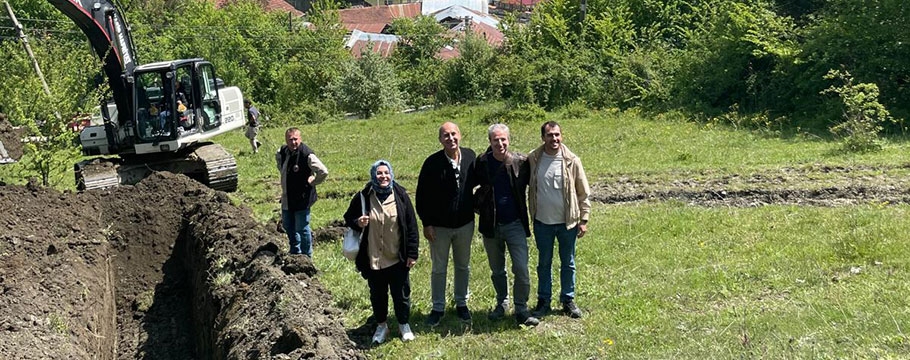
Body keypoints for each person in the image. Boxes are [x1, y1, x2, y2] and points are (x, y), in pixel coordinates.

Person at [344, 160, 419, 344]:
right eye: (379, 173)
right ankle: (382, 326)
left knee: (401, 294)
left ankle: (403, 325)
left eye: (386, 173)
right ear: (373, 176)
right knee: (377, 295)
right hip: (373, 259)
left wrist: (412, 253)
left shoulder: (400, 195)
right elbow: (348, 218)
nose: (383, 177)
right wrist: (358, 222)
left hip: (396, 257)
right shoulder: (363, 196)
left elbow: (411, 225)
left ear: (391, 174)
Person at [474, 123, 539, 327]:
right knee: (497, 270)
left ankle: (521, 308)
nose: (500, 143)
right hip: (490, 226)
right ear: (490, 142)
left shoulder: (521, 161)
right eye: (495, 140)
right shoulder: (482, 162)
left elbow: (537, 184)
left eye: (503, 139)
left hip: (515, 224)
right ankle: (501, 303)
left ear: (508, 140)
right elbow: (470, 186)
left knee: (521, 268)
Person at [416, 122, 477, 326]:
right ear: (440, 140)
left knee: (463, 265)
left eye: (453, 134)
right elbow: (421, 196)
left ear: (460, 135)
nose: (450, 138)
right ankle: (438, 307)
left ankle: (461, 304)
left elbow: (478, 183)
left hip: (465, 224)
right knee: (439, 268)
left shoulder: (470, 157)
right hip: (439, 227)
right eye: (445, 136)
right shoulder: (432, 163)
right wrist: (427, 224)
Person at [528, 121, 591, 319]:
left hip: (568, 223)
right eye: (549, 135)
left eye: (557, 135)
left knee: (568, 262)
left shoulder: (572, 160)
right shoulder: (534, 158)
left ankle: (568, 300)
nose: (554, 139)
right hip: (542, 222)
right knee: (544, 263)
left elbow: (583, 192)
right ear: (543, 138)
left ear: (561, 136)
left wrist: (584, 219)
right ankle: (543, 300)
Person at [276, 127, 329, 256]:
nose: (293, 142)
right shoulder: (282, 152)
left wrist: (313, 181)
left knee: (302, 228)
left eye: (295, 139)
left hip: (302, 198)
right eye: (290, 139)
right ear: (286, 140)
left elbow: (323, 171)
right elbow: (279, 162)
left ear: (300, 139)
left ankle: (306, 256)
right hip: (287, 197)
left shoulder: (307, 155)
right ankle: (295, 251)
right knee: (288, 225)